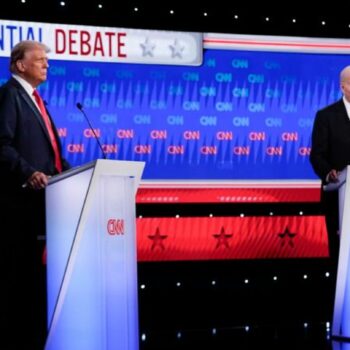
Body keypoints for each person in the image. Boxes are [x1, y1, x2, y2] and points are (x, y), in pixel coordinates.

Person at [0, 40, 70, 349]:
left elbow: (51, 154)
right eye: (39, 60)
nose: (46, 65)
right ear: (19, 65)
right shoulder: (9, 96)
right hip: (19, 205)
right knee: (19, 278)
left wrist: (71, 172)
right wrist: (28, 172)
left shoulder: (36, 100)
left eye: (47, 60)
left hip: (45, 203)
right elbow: (1, 144)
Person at [310, 65, 350, 268]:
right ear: (343, 87)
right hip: (339, 196)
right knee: (339, 256)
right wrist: (328, 172)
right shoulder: (326, 116)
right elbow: (316, 155)